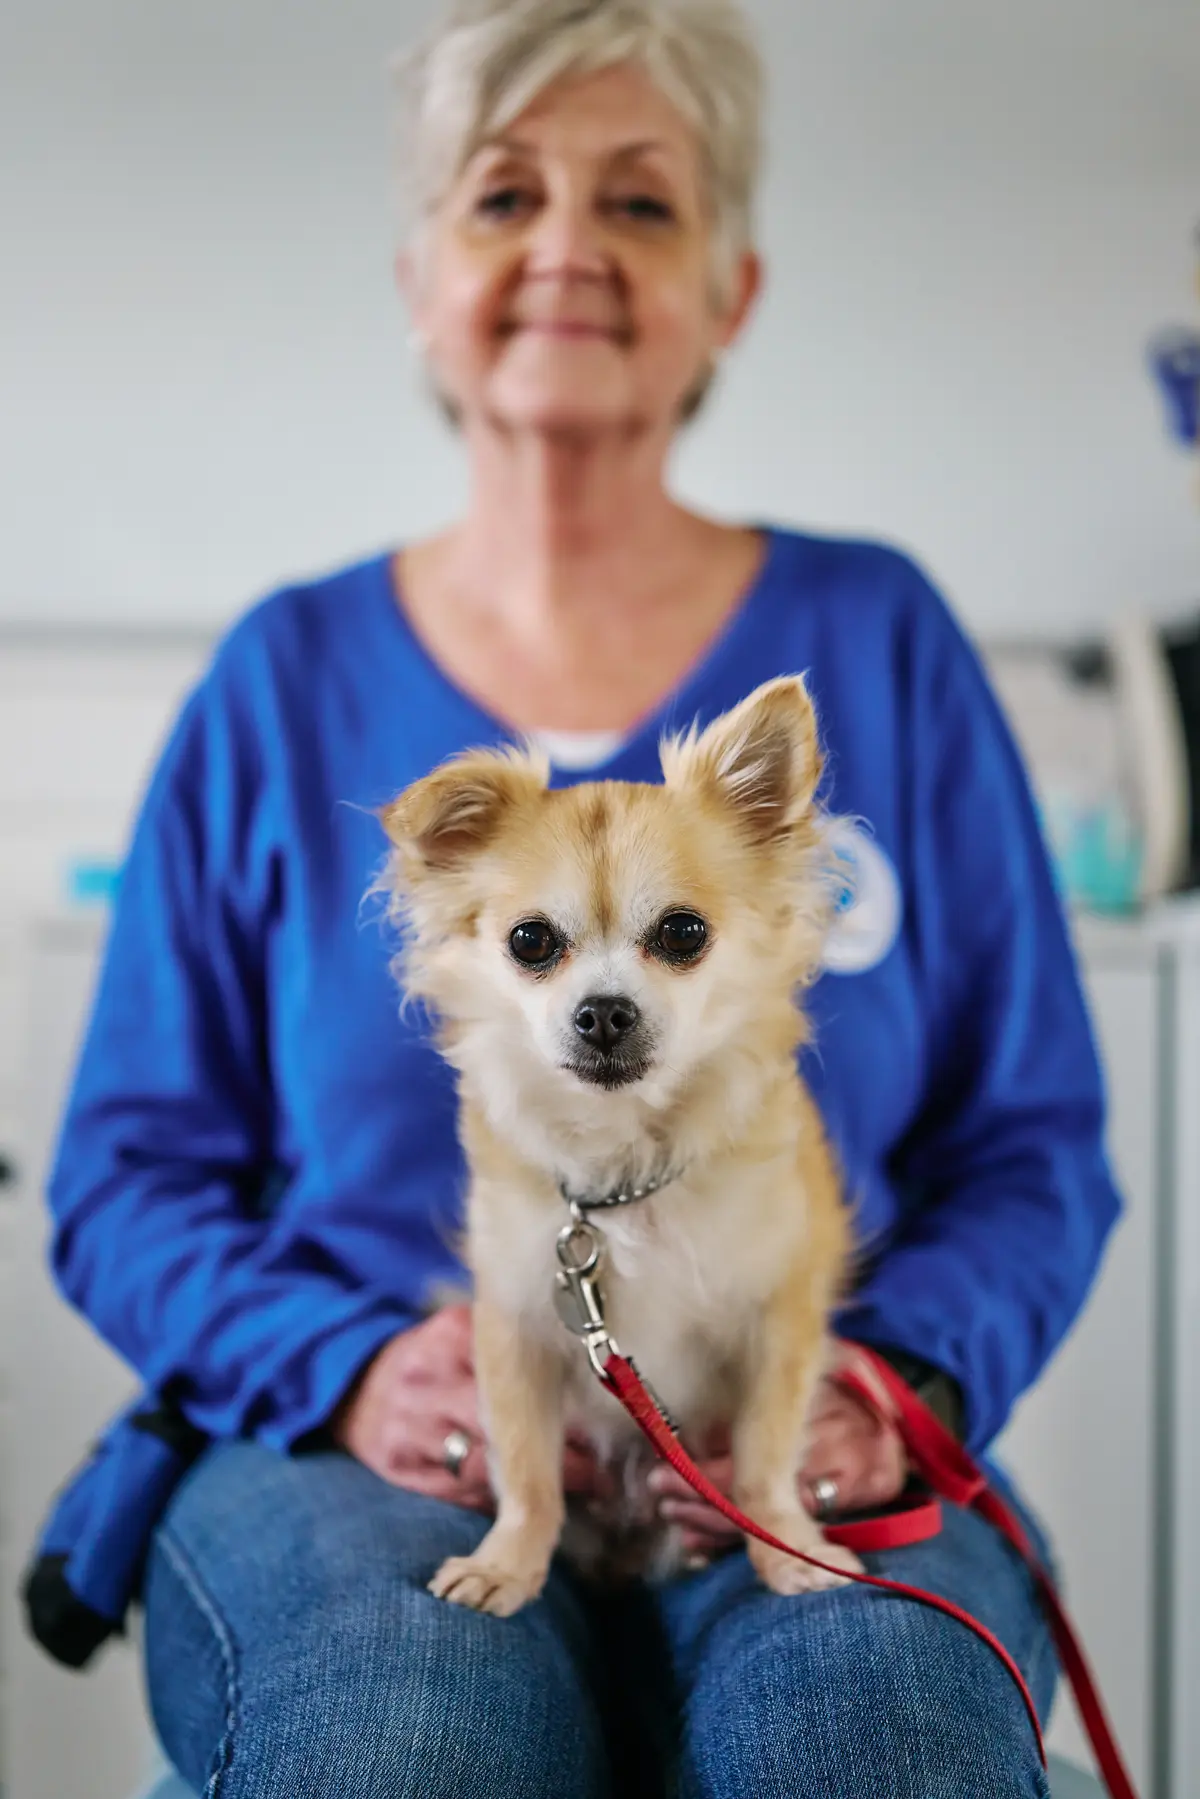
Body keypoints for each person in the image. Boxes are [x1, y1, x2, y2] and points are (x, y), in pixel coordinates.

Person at [40, 1, 1119, 1793]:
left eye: (637, 202)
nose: (565, 249)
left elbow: (1038, 1146)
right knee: (398, 1740)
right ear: (418, 272)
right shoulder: (283, 680)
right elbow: (123, 1175)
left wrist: (895, 1378)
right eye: (502, 196)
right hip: (373, 1445)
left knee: (876, 1736)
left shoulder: (882, 647)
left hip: (797, 1401)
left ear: (732, 288)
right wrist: (342, 1366)